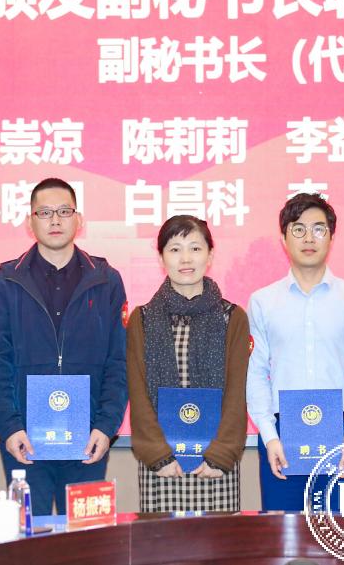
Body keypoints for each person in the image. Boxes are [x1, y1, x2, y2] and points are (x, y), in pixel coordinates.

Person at [0, 178, 127, 516]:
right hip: (26, 438)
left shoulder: (106, 280)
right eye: (45, 213)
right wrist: (10, 427)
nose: (55, 220)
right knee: (32, 536)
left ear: (79, 219)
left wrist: (106, 427)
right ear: (29, 222)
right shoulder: (6, 281)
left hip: (88, 437)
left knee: (87, 535)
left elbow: (118, 361)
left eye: (64, 211)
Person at [246, 192, 344, 511]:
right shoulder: (262, 301)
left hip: (341, 436)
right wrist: (269, 436)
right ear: (283, 238)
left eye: (318, 229)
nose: (308, 238)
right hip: (280, 436)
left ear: (331, 237)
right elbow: (256, 372)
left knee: (335, 534)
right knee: (282, 535)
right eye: (298, 229)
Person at [126, 216, 250, 512]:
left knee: (219, 541)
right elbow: (138, 393)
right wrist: (157, 454)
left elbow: (237, 394)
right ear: (161, 258)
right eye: (174, 249)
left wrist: (221, 454)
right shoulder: (142, 319)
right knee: (163, 541)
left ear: (210, 255)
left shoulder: (232, 317)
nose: (185, 259)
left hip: (216, 465)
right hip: (161, 465)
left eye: (195, 248)